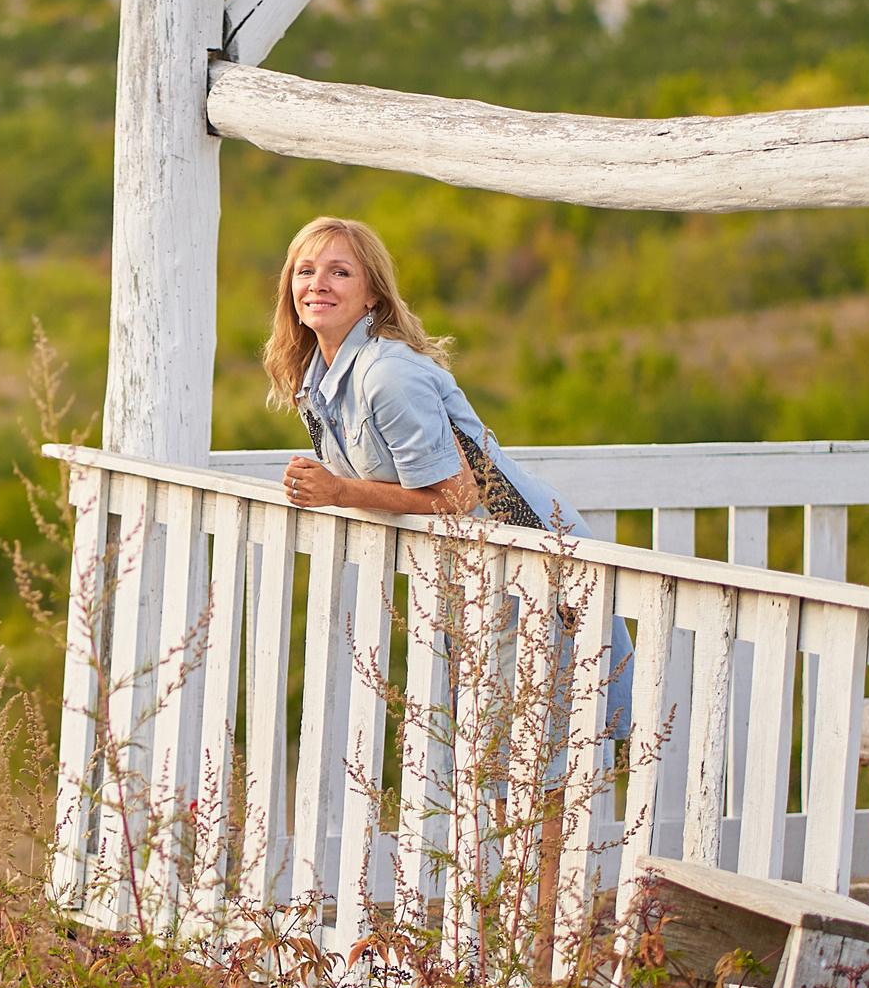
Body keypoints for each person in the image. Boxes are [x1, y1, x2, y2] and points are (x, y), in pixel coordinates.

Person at [263, 214, 631, 732]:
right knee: (495, 759)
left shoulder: (386, 373)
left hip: (531, 560)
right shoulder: (319, 381)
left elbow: (458, 495)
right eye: (304, 271)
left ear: (372, 295)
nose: (317, 283)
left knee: (534, 765)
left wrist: (339, 491)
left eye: (339, 272)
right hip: (476, 573)